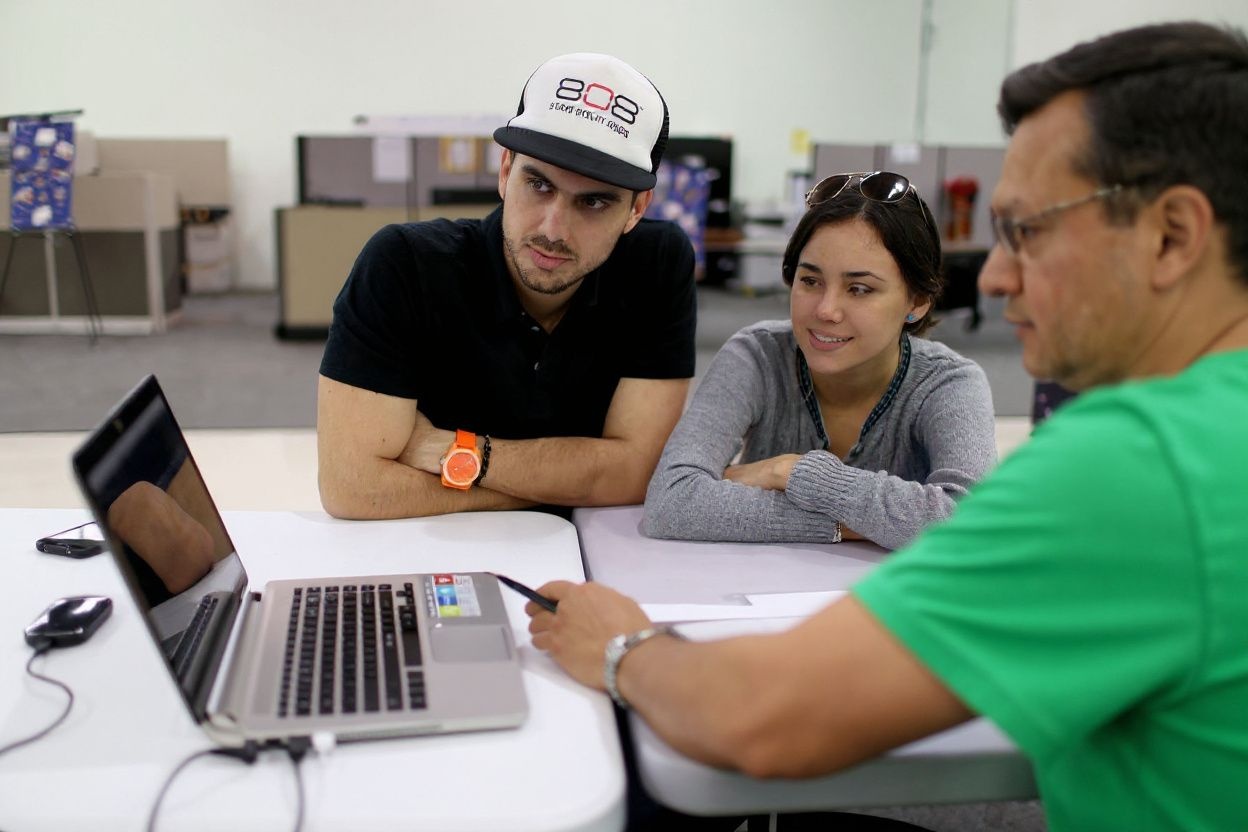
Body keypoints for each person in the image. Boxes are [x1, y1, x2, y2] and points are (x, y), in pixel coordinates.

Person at [525, 21, 1248, 831]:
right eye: (808, 281)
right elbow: (680, 501)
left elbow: (766, 717)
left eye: (1027, 231)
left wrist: (624, 647)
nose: (1000, 278)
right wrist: (857, 514)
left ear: (1173, 236)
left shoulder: (1143, 462)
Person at [317, 53, 696, 520]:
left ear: (637, 209)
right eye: (538, 184)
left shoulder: (657, 263)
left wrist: (459, 455)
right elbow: (355, 490)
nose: (554, 230)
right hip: (436, 555)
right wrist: (577, 481)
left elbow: (638, 473)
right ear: (504, 172)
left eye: (594, 201)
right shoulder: (404, 264)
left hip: (590, 562)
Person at [643, 176, 996, 550]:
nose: (825, 310)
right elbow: (671, 501)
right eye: (810, 281)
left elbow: (973, 524)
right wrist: (871, 524)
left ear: (918, 300)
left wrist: (793, 472)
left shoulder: (948, 383)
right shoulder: (757, 355)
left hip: (891, 604)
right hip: (759, 598)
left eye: (859, 289)